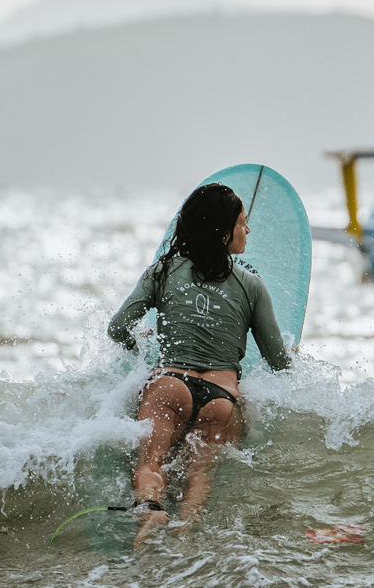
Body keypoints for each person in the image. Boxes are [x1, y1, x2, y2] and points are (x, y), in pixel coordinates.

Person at [108, 183, 291, 546]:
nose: (248, 230)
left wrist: (138, 348)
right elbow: (278, 363)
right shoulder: (252, 285)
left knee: (152, 461)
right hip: (222, 397)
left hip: (169, 384)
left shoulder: (162, 271)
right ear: (224, 232)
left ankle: (151, 509)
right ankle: (186, 528)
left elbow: (117, 328)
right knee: (199, 473)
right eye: (242, 223)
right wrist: (291, 355)